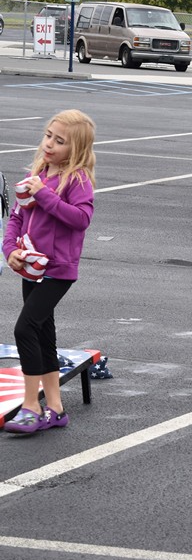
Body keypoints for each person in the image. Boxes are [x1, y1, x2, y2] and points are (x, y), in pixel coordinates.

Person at [2, 110, 95, 434]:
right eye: (48, 136)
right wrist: (10, 249)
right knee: (42, 334)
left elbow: (80, 219)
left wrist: (43, 193)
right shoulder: (38, 173)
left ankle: (31, 406)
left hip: (59, 270)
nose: (50, 144)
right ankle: (55, 408)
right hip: (33, 266)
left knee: (24, 329)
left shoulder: (77, 179)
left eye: (60, 140)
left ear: (77, 149)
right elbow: (16, 217)